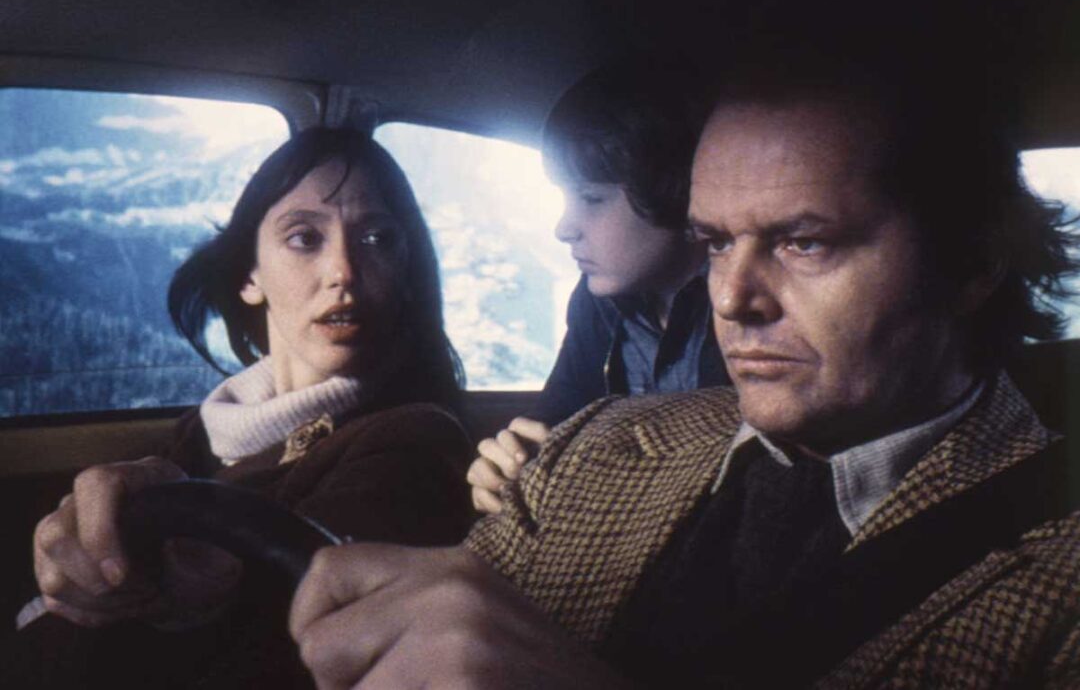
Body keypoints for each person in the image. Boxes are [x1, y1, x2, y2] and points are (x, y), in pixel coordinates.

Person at [287, 58, 1080, 689]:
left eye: (806, 243)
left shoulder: (1056, 582)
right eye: (714, 244)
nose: (733, 297)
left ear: (971, 262)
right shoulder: (597, 446)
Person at [9, 127, 474, 688]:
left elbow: (303, 631)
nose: (344, 272)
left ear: (405, 274)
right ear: (249, 276)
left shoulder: (414, 445)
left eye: (377, 240)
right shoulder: (202, 432)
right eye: (305, 239)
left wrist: (199, 601)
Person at [468, 62, 728, 514]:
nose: (564, 228)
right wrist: (507, 467)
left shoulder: (739, 303)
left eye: (591, 199)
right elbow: (554, 419)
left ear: (676, 191)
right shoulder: (597, 303)